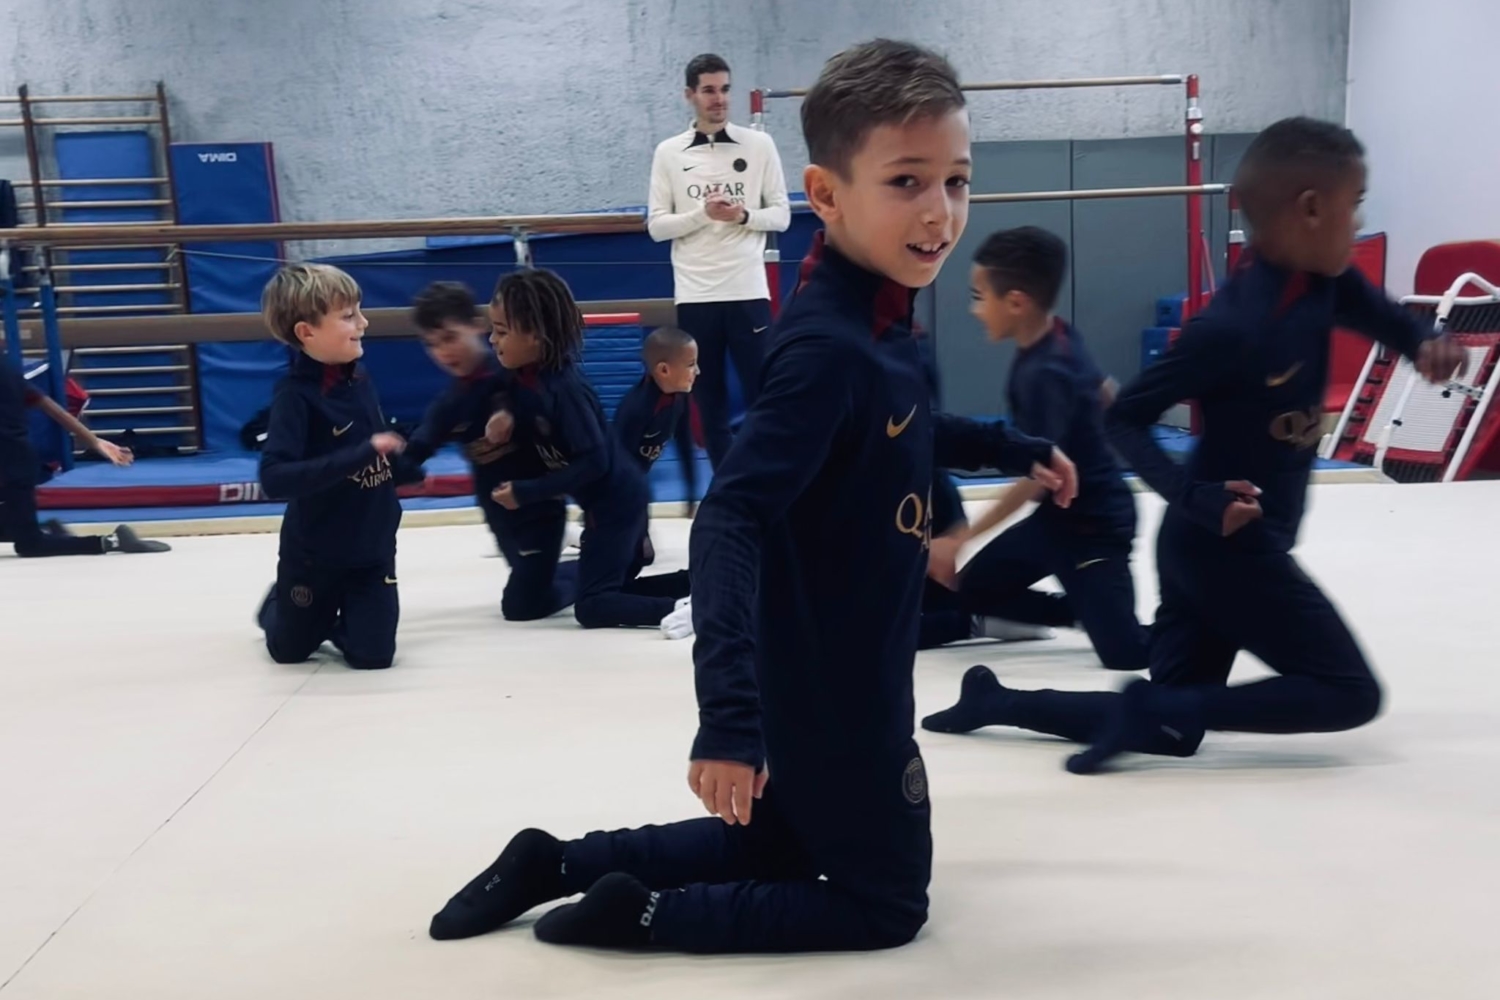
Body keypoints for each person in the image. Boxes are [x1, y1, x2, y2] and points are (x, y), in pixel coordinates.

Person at [428, 39, 1077, 954]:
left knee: (783, 841)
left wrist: (1014, 447)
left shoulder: (881, 316)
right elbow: (730, 516)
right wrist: (730, 719)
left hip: (854, 656)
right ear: (825, 195)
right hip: (829, 681)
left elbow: (896, 425)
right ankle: (642, 914)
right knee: (886, 905)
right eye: (906, 181)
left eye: (957, 180)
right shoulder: (828, 346)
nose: (940, 211)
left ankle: (557, 862)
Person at [923, 117, 1467, 774]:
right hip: (1226, 550)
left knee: (1170, 729)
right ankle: (1156, 704)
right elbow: (1126, 418)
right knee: (1350, 692)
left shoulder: (1326, 284)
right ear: (1310, 209)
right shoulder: (1232, 324)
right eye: (1353, 204)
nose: (1358, 222)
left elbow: (1384, 316)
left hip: (1200, 550)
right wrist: (1198, 497)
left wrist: (1424, 342)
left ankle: (998, 700)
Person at [922, 227, 1148, 668]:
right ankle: (1078, 609)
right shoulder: (1058, 335)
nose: (974, 309)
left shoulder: (1045, 373)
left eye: (979, 297)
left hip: (1094, 528)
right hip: (1053, 523)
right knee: (973, 588)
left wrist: (961, 538)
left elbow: (1037, 479)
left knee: (1126, 654)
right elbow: (1105, 391)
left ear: (1016, 302)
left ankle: (1184, 622)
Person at [483, 269, 690, 630]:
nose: (491, 339)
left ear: (535, 335)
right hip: (607, 504)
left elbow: (595, 462)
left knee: (592, 606)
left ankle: (691, 609)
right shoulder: (521, 374)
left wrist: (527, 492)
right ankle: (697, 583)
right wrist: (503, 412)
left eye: (501, 331)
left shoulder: (565, 391)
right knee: (609, 589)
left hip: (616, 505)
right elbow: (500, 389)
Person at [255, 263, 407, 671]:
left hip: (371, 550)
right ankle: (279, 601)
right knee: (289, 652)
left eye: (359, 311)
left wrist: (405, 467)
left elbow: (377, 452)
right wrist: (361, 453)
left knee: (374, 657)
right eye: (348, 316)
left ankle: (348, 617)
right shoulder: (295, 396)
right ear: (307, 332)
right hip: (314, 556)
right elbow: (274, 478)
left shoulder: (360, 378)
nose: (364, 322)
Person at [647, 52, 791, 470]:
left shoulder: (759, 145)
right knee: (708, 405)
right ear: (690, 95)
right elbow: (657, 227)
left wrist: (743, 216)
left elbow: (781, 215)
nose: (719, 99)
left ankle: (771, 484)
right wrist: (702, 214)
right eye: (709, 90)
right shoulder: (668, 152)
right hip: (696, 296)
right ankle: (729, 489)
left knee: (764, 396)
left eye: (725, 89)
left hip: (747, 292)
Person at [402, 281, 575, 621]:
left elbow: (520, 399)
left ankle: (597, 569)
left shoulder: (516, 373)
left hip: (539, 506)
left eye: (450, 337)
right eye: (431, 344)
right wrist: (381, 465)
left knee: (524, 605)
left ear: (478, 326)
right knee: (531, 584)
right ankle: (584, 566)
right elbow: (419, 448)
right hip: (499, 514)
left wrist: (511, 412)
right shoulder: (450, 403)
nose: (443, 352)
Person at [0, 355, 167, 557]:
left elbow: (44, 402)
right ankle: (43, 530)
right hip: (17, 458)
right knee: (25, 531)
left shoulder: (5, 368)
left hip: (12, 461)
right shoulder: (6, 366)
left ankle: (108, 542)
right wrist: (93, 440)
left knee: (30, 542)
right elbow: (46, 403)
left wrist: (94, 441)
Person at [610, 325, 700, 638]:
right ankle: (682, 601)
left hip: (634, 489)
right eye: (691, 365)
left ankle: (693, 586)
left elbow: (685, 443)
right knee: (632, 561)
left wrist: (691, 493)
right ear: (664, 370)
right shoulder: (636, 408)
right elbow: (617, 469)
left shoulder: (678, 398)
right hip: (616, 493)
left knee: (640, 558)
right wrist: (637, 525)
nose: (697, 371)